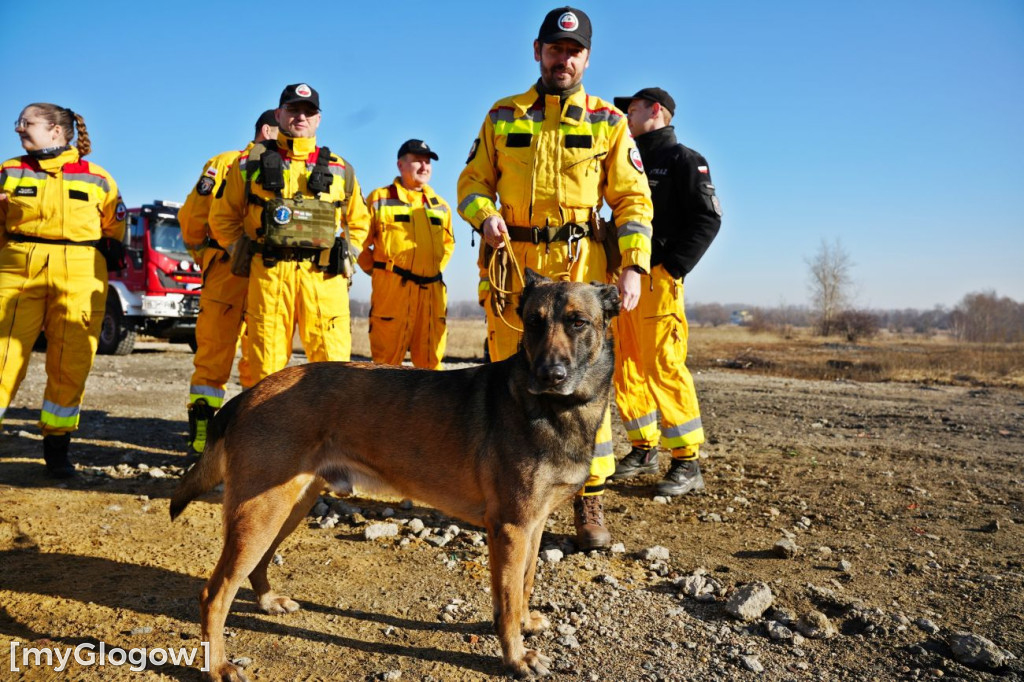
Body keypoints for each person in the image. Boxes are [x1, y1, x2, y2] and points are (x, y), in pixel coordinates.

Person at [457, 7, 654, 549]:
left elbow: (633, 198)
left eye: (573, 51)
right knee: (510, 380)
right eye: (554, 48)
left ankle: (587, 501)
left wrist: (633, 264)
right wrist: (482, 213)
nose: (562, 59)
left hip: (583, 266)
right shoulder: (503, 116)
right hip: (517, 269)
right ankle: (507, 491)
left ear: (586, 58)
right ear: (537, 51)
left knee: (585, 383)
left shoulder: (609, 122)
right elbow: (472, 182)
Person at [209, 84, 370, 384]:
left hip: (324, 280)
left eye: (308, 112)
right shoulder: (248, 164)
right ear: (279, 114)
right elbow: (222, 217)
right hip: (269, 277)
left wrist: (347, 257)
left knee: (334, 371)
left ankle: (331, 432)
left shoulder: (340, 168)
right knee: (263, 369)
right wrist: (240, 252)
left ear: (318, 119)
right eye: (293, 110)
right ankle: (264, 430)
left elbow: (360, 222)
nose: (301, 117)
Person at [0, 103, 126, 477]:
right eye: (18, 122)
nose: (19, 128)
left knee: (69, 364)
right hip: (17, 269)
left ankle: (57, 453)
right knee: (3, 359)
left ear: (56, 130)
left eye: (28, 122)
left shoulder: (99, 178)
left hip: (81, 271)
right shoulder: (8, 171)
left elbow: (114, 231)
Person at [608, 87, 722, 496]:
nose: (627, 116)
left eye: (633, 110)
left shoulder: (685, 161)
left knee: (662, 366)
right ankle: (643, 448)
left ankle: (687, 461)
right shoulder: (629, 159)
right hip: (623, 280)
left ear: (656, 111)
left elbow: (707, 220)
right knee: (626, 366)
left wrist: (672, 268)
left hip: (657, 282)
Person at [180, 110, 278, 454]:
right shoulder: (228, 163)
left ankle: (205, 442)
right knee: (260, 354)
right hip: (262, 271)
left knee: (214, 354)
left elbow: (192, 218)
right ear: (267, 130)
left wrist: (204, 256)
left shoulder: (225, 162)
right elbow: (193, 216)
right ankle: (251, 436)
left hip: (228, 269)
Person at [359, 139, 454, 369]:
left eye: (427, 162)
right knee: (385, 370)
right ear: (400, 165)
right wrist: (380, 272)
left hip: (431, 296)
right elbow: (359, 243)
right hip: (392, 295)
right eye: (417, 161)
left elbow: (448, 244)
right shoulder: (379, 199)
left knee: (432, 370)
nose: (424, 166)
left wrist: (431, 269)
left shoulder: (440, 205)